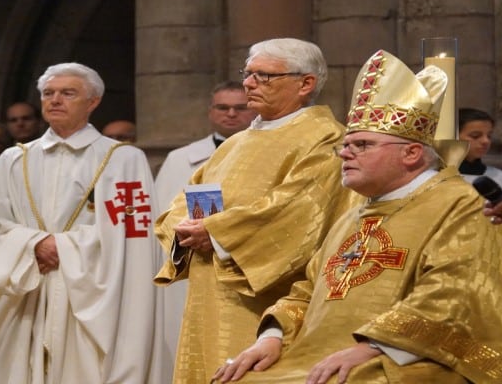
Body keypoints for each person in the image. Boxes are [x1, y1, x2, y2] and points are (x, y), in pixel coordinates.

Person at [213, 50, 502, 384]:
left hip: (415, 358)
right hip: (317, 355)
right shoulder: (355, 214)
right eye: (345, 145)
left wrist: (374, 346)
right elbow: (306, 290)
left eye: (362, 144)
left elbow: (456, 291)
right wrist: (271, 338)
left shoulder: (461, 204)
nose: (346, 153)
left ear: (410, 153)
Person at [153, 38, 357, 383]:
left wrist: (217, 234)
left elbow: (299, 212)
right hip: (207, 294)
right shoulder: (235, 142)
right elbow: (184, 199)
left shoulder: (324, 139)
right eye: (248, 74)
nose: (248, 83)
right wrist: (185, 229)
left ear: (305, 83)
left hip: (263, 303)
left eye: (263, 76)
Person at [0, 62, 166, 383]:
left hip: (92, 294)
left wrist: (64, 247)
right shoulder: (13, 160)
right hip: (25, 288)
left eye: (68, 93)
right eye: (48, 93)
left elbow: (132, 237)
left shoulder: (123, 160)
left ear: (93, 101)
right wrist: (32, 245)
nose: (55, 100)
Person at [153, 80, 257, 369]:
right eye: (223, 107)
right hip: (192, 263)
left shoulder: (268, 155)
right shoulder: (181, 159)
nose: (231, 114)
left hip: (245, 263)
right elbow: (162, 216)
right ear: (211, 112)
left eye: (240, 107)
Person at [457, 107, 502, 187]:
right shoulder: (434, 177)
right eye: (475, 136)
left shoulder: (498, 176)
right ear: (453, 136)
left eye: (489, 136)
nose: (486, 141)